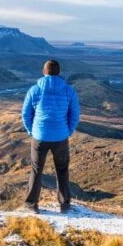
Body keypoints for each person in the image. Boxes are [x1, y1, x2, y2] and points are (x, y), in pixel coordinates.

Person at [21, 59, 80, 213]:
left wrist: (31, 131)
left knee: (36, 170)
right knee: (62, 170)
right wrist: (67, 131)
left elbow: (26, 114)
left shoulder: (34, 90)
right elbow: (74, 115)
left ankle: (31, 204)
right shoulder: (68, 90)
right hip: (60, 137)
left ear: (43, 72)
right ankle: (64, 204)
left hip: (39, 137)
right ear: (59, 73)